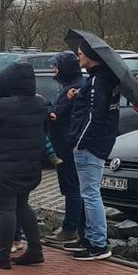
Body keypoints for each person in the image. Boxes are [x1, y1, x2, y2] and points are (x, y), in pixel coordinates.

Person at [0, 62, 48, 269]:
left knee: (6, 209)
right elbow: (45, 131)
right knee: (23, 205)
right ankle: (35, 249)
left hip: (3, 167)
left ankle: (3, 256)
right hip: (30, 166)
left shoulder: (1, 105)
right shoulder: (39, 105)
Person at [66, 41, 120, 261]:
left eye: (80, 54)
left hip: (90, 145)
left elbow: (94, 115)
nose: (78, 58)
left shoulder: (98, 80)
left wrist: (80, 140)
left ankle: (98, 244)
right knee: (88, 192)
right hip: (99, 143)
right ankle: (89, 238)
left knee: (90, 194)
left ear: (91, 55)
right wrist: (79, 93)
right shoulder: (105, 79)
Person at [42, 51, 86, 245]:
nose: (53, 70)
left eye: (56, 66)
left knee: (72, 187)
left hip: (67, 144)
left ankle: (71, 228)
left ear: (65, 68)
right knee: (71, 186)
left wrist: (49, 113)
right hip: (64, 143)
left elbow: (57, 113)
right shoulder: (68, 86)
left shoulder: (75, 88)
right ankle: (77, 226)